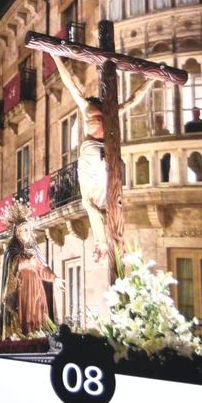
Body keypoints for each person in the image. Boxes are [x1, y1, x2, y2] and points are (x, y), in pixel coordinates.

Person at [52, 54, 113, 262]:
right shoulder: (109, 110)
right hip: (109, 153)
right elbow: (133, 101)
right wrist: (149, 82)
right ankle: (104, 240)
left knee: (89, 202)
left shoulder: (87, 107)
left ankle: (102, 243)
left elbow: (69, 83)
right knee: (102, 201)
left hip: (91, 152)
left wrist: (55, 57)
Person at [0, 200, 60, 339]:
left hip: (36, 292)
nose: (28, 233)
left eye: (29, 230)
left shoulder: (32, 248)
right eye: (25, 230)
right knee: (24, 323)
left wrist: (55, 278)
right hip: (22, 293)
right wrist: (27, 261)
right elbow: (13, 265)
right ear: (18, 232)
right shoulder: (12, 248)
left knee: (38, 321)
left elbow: (41, 267)